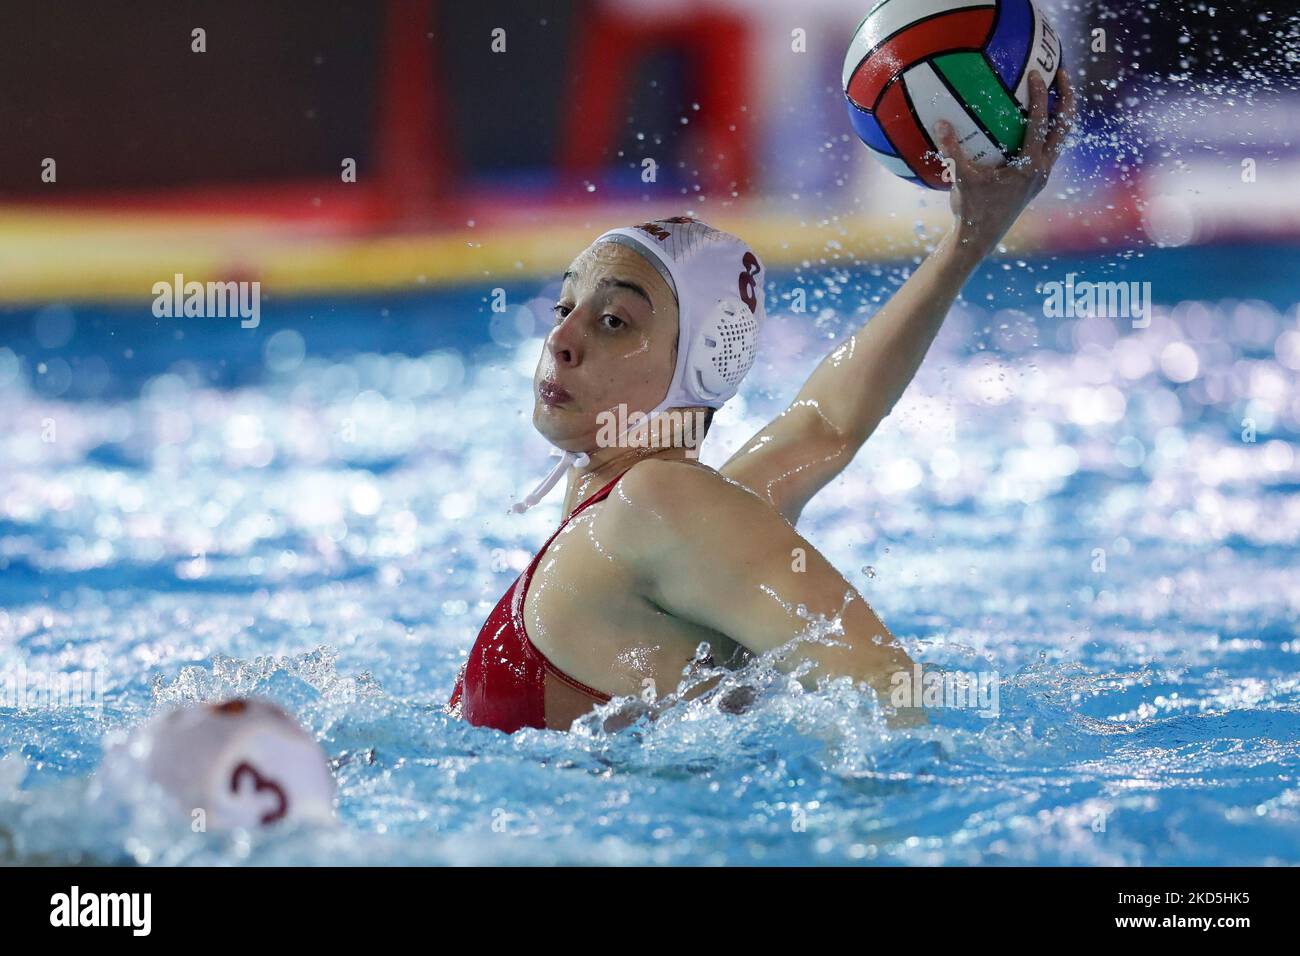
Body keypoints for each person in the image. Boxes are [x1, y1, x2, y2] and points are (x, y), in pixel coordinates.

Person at [449, 70, 1075, 733]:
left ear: (698, 364)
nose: (562, 339)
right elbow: (826, 423)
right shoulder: (663, 521)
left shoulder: (657, 505)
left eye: (615, 323)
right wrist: (965, 243)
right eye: (566, 306)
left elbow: (886, 691)